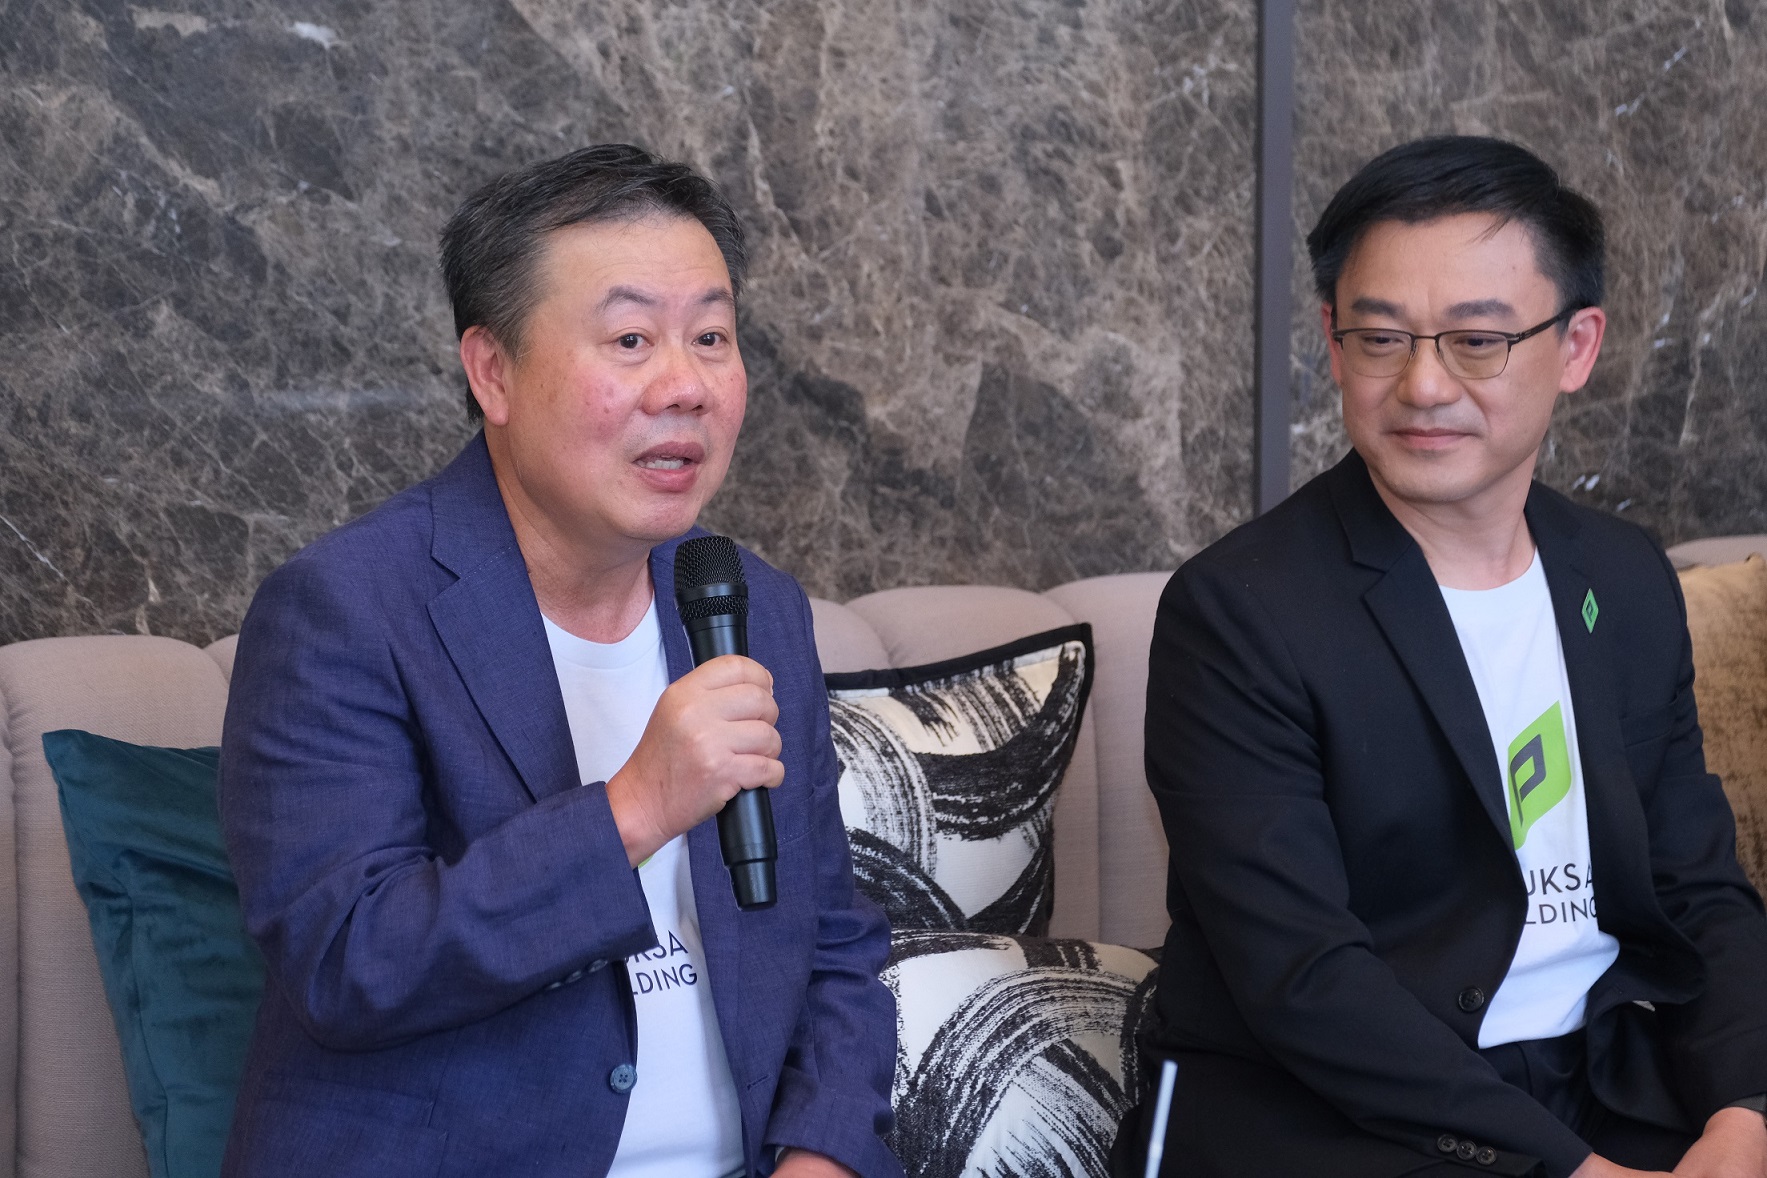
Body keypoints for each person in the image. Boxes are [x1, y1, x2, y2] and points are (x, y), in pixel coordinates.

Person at [218, 144, 902, 1178]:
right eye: (630, 339)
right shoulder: (345, 610)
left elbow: (835, 943)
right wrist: (634, 808)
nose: (685, 385)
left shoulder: (750, 605)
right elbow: (350, 962)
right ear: (492, 371)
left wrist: (823, 1156)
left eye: (711, 337)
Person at [1119, 136, 1767, 1178]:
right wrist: (1578, 1174)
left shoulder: (1624, 578)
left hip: (1597, 1077)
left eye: (1476, 341)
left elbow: (1698, 891)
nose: (1422, 384)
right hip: (1332, 1115)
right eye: (1380, 338)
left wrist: (1742, 1112)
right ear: (1333, 344)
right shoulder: (1238, 611)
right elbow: (1304, 977)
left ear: (1576, 347)